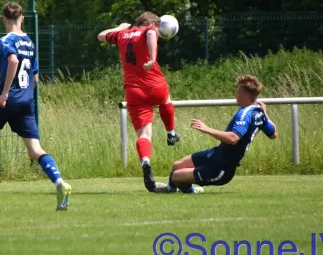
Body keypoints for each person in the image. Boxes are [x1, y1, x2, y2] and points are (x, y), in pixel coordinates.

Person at [0, 2, 72, 211]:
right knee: (35, 149)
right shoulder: (30, 43)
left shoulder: (6, 40)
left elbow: (13, 62)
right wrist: (25, 95)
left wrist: (4, 93)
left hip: (7, 100)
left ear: (4, 20)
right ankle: (60, 183)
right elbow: (36, 77)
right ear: (22, 18)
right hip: (26, 102)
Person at [97, 12, 180, 193]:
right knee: (165, 98)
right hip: (153, 83)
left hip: (134, 90)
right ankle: (171, 133)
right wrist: (152, 58)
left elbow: (101, 35)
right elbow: (151, 33)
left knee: (144, 134)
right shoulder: (149, 30)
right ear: (152, 23)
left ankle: (145, 161)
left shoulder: (122, 35)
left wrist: (119, 27)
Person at [157, 75, 278, 194]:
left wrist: (207, 129)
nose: (235, 95)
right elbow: (273, 134)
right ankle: (170, 189)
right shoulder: (259, 113)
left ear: (245, 95)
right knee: (176, 166)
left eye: (238, 92)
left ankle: (192, 191)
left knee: (177, 176)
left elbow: (233, 138)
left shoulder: (245, 114)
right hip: (216, 154)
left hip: (221, 168)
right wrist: (265, 113)